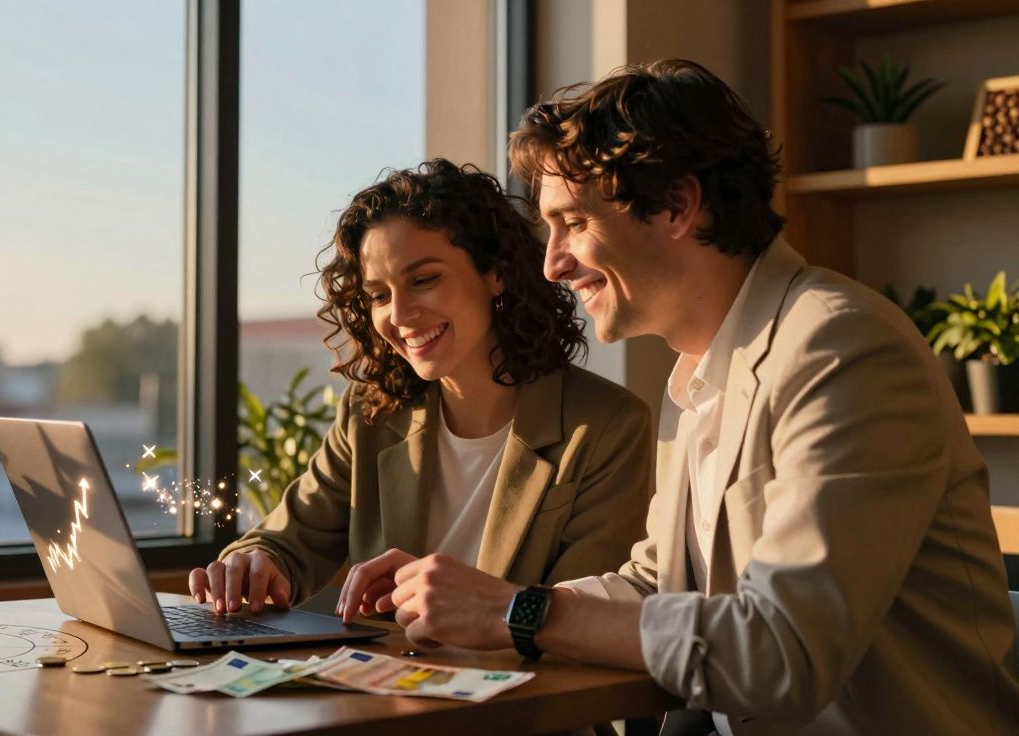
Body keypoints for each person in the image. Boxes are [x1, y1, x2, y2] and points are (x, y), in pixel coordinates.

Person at [356, 61, 1019, 734]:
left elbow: (782, 651)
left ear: (677, 204)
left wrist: (514, 613)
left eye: (574, 222)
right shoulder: (702, 369)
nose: (553, 263)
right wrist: (477, 603)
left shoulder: (843, 349)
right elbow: (658, 586)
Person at [190, 158, 653, 618]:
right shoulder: (371, 414)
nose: (400, 313)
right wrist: (251, 565)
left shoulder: (607, 427)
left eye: (424, 280)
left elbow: (584, 620)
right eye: (379, 295)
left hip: (518, 688)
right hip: (383, 685)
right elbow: (291, 539)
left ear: (496, 273)